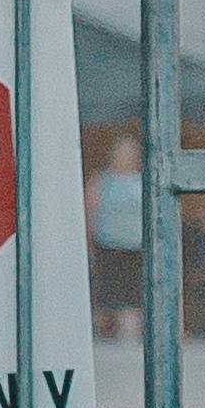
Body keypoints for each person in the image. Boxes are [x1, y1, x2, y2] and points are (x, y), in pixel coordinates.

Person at [88, 129, 147, 339]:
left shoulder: (143, 180)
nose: (124, 157)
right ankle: (106, 333)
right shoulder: (102, 180)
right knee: (108, 291)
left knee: (133, 292)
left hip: (136, 246)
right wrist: (90, 242)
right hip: (108, 244)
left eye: (129, 152)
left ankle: (130, 334)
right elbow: (91, 210)